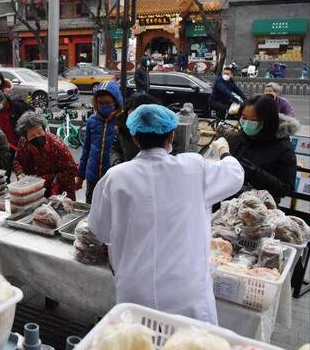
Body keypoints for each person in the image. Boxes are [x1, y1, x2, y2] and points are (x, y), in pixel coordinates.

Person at [89, 104, 244, 324]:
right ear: (172, 135)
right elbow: (235, 174)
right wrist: (223, 150)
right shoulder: (194, 167)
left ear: (135, 138)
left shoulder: (115, 177)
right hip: (186, 290)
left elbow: (101, 231)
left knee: (136, 343)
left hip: (135, 290)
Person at [228, 95, 298, 202]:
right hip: (230, 201)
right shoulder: (236, 139)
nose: (247, 123)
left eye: (254, 119)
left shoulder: (283, 148)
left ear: (267, 120)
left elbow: (285, 188)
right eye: (244, 117)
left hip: (263, 207)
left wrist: (255, 173)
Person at [76, 82, 123, 204]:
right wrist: (80, 176)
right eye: (101, 103)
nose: (104, 106)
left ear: (116, 102)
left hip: (113, 178)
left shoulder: (121, 122)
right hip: (93, 177)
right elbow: (86, 150)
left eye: (108, 103)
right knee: (91, 208)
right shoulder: (92, 121)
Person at [13, 111, 78, 200]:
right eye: (32, 135)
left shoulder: (55, 144)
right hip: (32, 191)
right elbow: (17, 160)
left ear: (44, 128)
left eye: (40, 132)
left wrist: (44, 180)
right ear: (25, 136)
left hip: (58, 193)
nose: (37, 136)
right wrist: (21, 174)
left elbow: (71, 169)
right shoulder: (23, 142)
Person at [0, 89, 33, 178]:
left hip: (19, 144)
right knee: (4, 172)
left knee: (22, 171)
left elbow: (31, 115)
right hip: (4, 145)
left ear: (4, 99)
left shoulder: (16, 106)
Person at [111, 93, 159, 166]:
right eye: (131, 117)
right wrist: (118, 162)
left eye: (137, 116)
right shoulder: (122, 129)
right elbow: (115, 150)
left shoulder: (161, 130)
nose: (133, 121)